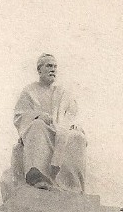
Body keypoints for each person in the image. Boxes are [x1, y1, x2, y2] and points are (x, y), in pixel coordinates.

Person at [12, 54, 86, 192]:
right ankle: (39, 178)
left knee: (78, 137)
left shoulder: (62, 93)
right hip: (41, 130)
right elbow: (19, 115)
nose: (53, 70)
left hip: (61, 131)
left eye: (55, 67)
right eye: (49, 66)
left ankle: (72, 185)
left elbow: (71, 114)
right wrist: (38, 116)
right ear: (39, 70)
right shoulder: (29, 91)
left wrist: (73, 124)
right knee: (37, 126)